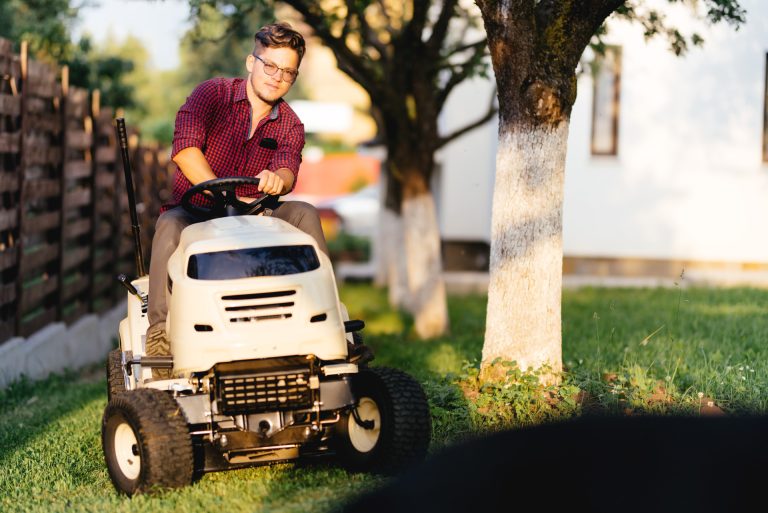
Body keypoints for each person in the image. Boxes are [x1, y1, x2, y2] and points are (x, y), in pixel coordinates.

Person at [145, 22, 328, 377]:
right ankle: (159, 332)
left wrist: (279, 179)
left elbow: (289, 168)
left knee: (304, 213)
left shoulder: (291, 124)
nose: (276, 77)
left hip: (256, 213)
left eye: (287, 72)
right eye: (269, 65)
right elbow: (185, 151)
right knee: (168, 225)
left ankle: (322, 314)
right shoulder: (211, 94)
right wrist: (218, 188)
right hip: (197, 210)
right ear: (251, 61)